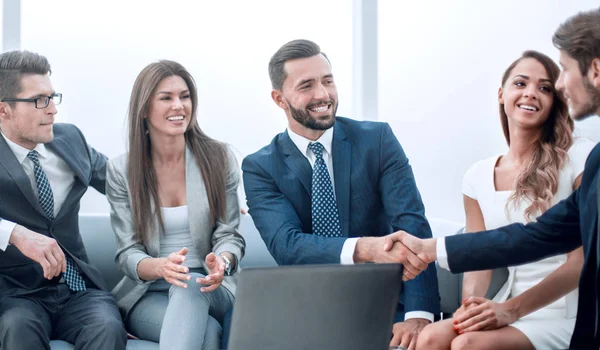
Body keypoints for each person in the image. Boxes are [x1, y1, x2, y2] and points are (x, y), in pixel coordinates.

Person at [384, 7, 600, 348]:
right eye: (520, 83)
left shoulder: (583, 157)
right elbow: (498, 250)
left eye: (547, 86)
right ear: (501, 93)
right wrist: (470, 306)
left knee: (467, 345)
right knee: (430, 339)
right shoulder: (478, 175)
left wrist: (509, 311)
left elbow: (577, 258)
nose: (534, 92)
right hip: (508, 300)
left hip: (564, 307)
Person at [241, 39, 440, 350]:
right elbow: (287, 245)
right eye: (306, 85)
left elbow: (412, 226)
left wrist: (419, 316)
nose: (323, 95)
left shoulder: (378, 140)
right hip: (308, 308)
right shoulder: (260, 166)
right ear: (279, 98)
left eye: (328, 81)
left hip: (386, 302)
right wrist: (367, 248)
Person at [106, 60, 245, 350]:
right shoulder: (122, 170)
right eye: (166, 98)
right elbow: (127, 252)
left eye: (184, 96)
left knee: (192, 284)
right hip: (149, 293)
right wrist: (160, 268)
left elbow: (229, 235)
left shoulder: (219, 159)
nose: (179, 105)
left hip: (212, 286)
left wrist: (223, 261)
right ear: (144, 108)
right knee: (205, 333)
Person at [0, 50, 126, 349]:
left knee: (108, 327)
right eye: (39, 100)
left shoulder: (70, 139)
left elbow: (127, 185)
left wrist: (204, 201)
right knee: (18, 328)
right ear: (4, 110)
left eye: (52, 97)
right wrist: (14, 233)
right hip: (15, 295)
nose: (52, 110)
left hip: (78, 289)